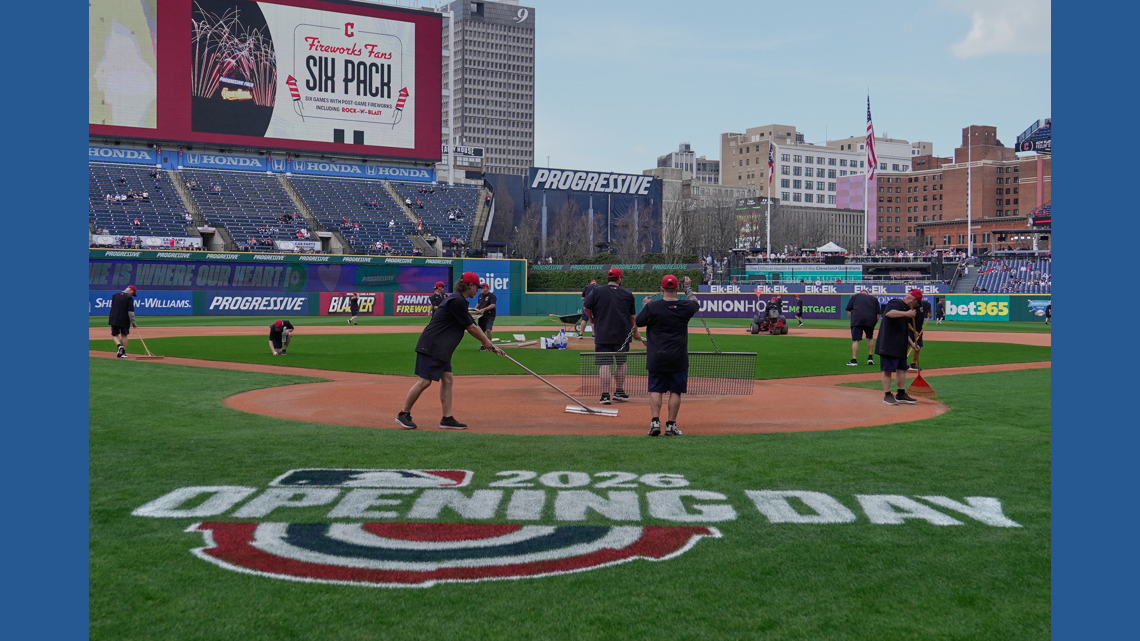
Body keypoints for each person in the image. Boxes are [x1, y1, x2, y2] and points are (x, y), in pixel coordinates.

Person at [396, 272, 502, 430]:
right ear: (470, 286)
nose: (477, 291)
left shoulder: (459, 301)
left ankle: (447, 418)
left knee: (447, 379)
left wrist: (490, 344)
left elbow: (473, 325)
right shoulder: (456, 301)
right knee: (424, 381)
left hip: (442, 348)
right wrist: (487, 342)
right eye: (476, 288)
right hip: (432, 345)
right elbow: (471, 327)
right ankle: (403, 414)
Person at [636, 275, 699, 436]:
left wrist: (645, 305)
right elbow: (695, 303)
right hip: (678, 357)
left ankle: (655, 422)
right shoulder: (685, 306)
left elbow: (639, 322)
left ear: (662, 289)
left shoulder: (652, 307)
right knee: (675, 391)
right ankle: (671, 425)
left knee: (656, 389)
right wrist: (688, 288)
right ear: (677, 289)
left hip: (656, 356)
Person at [583, 267, 642, 405]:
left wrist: (591, 319)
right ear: (619, 279)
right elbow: (632, 317)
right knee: (621, 363)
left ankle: (605, 395)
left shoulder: (596, 290)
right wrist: (635, 333)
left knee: (605, 364)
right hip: (622, 334)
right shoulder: (627, 293)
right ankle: (619, 391)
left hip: (602, 332)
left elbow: (586, 307)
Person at [875, 290, 923, 405]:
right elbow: (889, 313)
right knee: (888, 370)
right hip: (889, 343)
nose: (917, 306)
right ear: (913, 300)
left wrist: (912, 344)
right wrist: (907, 314)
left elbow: (904, 329)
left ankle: (901, 394)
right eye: (917, 302)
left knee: (902, 369)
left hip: (900, 345)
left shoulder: (906, 309)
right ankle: (887, 395)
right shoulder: (896, 303)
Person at [846, 288, 881, 366]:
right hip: (870, 320)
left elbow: (848, 310)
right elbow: (878, 314)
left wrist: (853, 318)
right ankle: (870, 358)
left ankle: (854, 360)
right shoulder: (874, 299)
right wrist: (874, 323)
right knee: (870, 337)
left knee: (856, 340)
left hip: (857, 319)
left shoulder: (855, 296)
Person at [109, 285, 138, 358]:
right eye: (132, 293)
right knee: (124, 335)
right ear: (130, 291)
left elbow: (112, 306)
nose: (132, 295)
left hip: (114, 317)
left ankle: (119, 346)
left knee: (114, 334)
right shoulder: (129, 298)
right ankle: (123, 352)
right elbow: (130, 312)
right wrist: (133, 322)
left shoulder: (115, 295)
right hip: (124, 318)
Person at [909, 293, 933, 370]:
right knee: (906, 345)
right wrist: (913, 331)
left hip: (919, 330)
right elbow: (906, 323)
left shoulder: (924, 304)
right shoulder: (909, 307)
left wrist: (930, 312)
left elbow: (929, 305)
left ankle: (913, 364)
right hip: (909, 329)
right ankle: (901, 363)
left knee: (918, 346)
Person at [475, 282, 497, 349]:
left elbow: (493, 305)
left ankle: (489, 345)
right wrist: (474, 310)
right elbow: (479, 304)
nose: (481, 289)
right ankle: (482, 345)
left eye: (483, 287)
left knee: (488, 330)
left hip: (490, 315)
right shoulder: (480, 296)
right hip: (481, 315)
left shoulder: (491, 295)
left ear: (487, 288)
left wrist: (485, 309)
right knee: (481, 331)